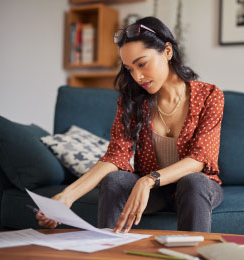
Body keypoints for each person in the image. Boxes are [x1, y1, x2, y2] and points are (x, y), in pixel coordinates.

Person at [36, 16, 225, 233]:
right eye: (129, 69)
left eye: (142, 64)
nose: (137, 76)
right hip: (155, 194)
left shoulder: (210, 95)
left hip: (194, 188)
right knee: (115, 180)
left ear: (167, 51)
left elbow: (199, 159)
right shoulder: (132, 100)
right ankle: (107, 250)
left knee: (194, 182)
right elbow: (115, 156)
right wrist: (67, 196)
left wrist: (148, 180)